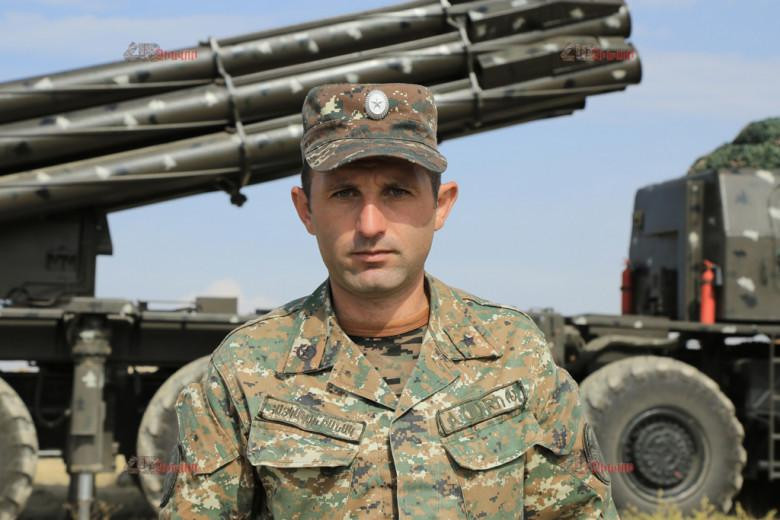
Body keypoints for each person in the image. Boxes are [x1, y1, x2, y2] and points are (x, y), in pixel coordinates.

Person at [159, 83, 619, 519]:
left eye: (397, 191)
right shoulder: (245, 369)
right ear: (306, 210)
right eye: (344, 193)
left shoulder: (514, 352)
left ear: (441, 205)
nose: (370, 224)